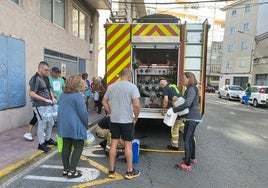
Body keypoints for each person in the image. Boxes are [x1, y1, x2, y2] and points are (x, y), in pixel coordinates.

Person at [102, 68, 141, 180]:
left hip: (114, 120)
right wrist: (136, 117)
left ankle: (111, 171)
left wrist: (109, 111)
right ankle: (129, 171)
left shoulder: (112, 87)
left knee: (113, 144)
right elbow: (137, 105)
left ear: (121, 76)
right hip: (127, 120)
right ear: (129, 76)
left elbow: (104, 101)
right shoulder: (132, 87)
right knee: (128, 145)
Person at [57, 75, 88, 178]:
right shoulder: (78, 96)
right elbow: (83, 113)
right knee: (79, 146)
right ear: (77, 84)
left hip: (64, 125)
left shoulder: (62, 95)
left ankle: (66, 169)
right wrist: (86, 125)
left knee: (66, 146)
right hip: (76, 125)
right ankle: (73, 170)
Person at [173, 72, 201, 172]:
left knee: (187, 139)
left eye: (183, 78)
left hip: (192, 118)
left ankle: (187, 163)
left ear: (189, 78)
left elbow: (188, 103)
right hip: (193, 117)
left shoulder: (192, 89)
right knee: (190, 138)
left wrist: (174, 110)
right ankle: (192, 157)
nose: (182, 80)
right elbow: (186, 100)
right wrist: (178, 98)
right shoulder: (190, 89)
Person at [29, 61, 57, 152]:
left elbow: (49, 90)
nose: (48, 72)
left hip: (48, 106)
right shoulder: (35, 78)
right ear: (40, 68)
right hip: (40, 106)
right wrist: (45, 100)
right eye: (46, 70)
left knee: (51, 123)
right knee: (42, 124)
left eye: (49, 70)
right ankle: (41, 144)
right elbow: (31, 93)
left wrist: (52, 98)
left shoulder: (45, 77)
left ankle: (48, 139)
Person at [159, 79, 184, 150]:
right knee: (180, 122)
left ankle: (175, 145)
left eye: (160, 85)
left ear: (162, 85)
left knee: (175, 126)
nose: (160, 87)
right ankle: (188, 133)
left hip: (177, 107)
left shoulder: (165, 89)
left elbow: (166, 100)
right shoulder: (172, 85)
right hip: (182, 106)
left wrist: (163, 110)